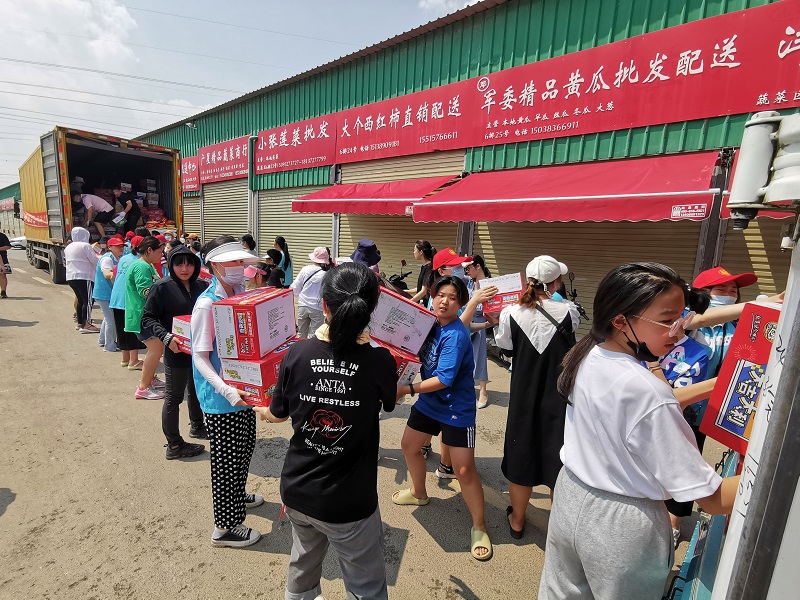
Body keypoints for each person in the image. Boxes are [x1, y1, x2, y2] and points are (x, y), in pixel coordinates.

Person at [537, 263, 739, 600]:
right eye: (668, 320)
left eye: (681, 318)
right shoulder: (647, 391)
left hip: (570, 494)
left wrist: (719, 383)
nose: (678, 331)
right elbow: (713, 499)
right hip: (623, 523)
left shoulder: (587, 352)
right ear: (620, 321)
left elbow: (652, 404)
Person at [254, 262, 398, 600]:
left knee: (302, 564)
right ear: (373, 307)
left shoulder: (297, 352)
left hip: (298, 489)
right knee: (366, 586)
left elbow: (277, 413)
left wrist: (261, 409)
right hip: (349, 500)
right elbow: (390, 402)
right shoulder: (380, 361)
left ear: (323, 305)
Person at [393, 275, 493, 562]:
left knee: (463, 470)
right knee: (410, 446)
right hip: (429, 403)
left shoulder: (456, 335)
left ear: (460, 303)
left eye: (452, 297)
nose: (445, 301)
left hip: (456, 408)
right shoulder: (430, 323)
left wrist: (405, 389)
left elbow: (444, 379)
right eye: (440, 295)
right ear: (432, 297)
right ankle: (419, 492)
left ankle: (479, 526)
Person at [495, 255, 580, 539]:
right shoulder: (569, 311)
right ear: (556, 283)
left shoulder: (510, 312)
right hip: (559, 398)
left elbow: (505, 347)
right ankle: (557, 528)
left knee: (521, 454)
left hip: (523, 396)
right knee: (559, 460)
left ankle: (518, 520)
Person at [190, 235, 263, 548]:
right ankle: (225, 527)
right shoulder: (207, 304)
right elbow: (200, 356)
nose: (239, 266)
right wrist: (226, 390)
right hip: (222, 398)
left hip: (243, 392)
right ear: (215, 266)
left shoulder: (238, 294)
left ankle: (237, 495)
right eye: (232, 261)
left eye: (241, 261)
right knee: (225, 463)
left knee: (244, 449)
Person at [142, 244, 209, 460]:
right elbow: (148, 318)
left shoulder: (202, 286)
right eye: (179, 264)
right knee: (174, 397)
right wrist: (166, 337)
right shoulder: (161, 287)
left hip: (199, 350)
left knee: (196, 389)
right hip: (175, 349)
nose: (184, 269)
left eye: (189, 264)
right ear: (171, 265)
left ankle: (197, 426)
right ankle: (174, 444)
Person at [125, 236, 167, 400]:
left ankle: (150, 379)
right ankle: (143, 388)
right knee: (156, 349)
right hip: (142, 315)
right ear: (149, 250)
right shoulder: (141, 266)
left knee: (157, 349)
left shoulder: (146, 265)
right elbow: (146, 291)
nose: (161, 256)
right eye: (159, 252)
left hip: (146, 315)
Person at [463, 255, 496, 409]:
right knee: (465, 356)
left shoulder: (489, 285)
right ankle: (467, 386)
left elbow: (493, 306)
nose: (467, 271)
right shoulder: (469, 282)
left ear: (478, 267)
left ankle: (483, 390)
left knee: (480, 355)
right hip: (467, 320)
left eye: (469, 268)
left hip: (481, 321)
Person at [110, 236, 145, 369]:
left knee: (121, 330)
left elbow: (115, 275)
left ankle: (125, 359)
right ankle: (134, 361)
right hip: (129, 300)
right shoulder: (141, 262)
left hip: (116, 298)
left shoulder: (124, 258)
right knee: (132, 329)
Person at [92, 237, 125, 352]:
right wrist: (120, 274)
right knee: (111, 320)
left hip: (108, 293)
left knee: (107, 318)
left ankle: (102, 340)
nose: (121, 248)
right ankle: (109, 346)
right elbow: (106, 274)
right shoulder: (107, 259)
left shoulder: (117, 258)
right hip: (103, 293)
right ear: (110, 247)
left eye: (122, 246)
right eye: (118, 246)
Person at [64, 227, 100, 333]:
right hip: (84, 276)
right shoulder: (85, 246)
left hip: (71, 276)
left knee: (80, 300)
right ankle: (86, 324)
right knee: (88, 301)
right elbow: (94, 260)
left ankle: (80, 322)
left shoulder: (68, 247)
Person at [290, 247, 332, 338]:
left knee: (301, 333)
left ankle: (301, 346)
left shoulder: (305, 269)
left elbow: (295, 287)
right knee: (314, 336)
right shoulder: (327, 274)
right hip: (317, 308)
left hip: (303, 305)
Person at [410, 240, 435, 305]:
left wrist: (409, 302)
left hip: (426, 304)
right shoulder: (424, 267)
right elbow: (420, 288)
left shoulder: (429, 268)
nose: (413, 252)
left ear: (421, 252)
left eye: (415, 250)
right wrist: (407, 291)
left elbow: (424, 291)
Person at [0, 227, 11, 299]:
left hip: (3, 259)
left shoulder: (2, 236)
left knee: (3, 275)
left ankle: (3, 291)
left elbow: (8, 246)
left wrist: (0, 248)